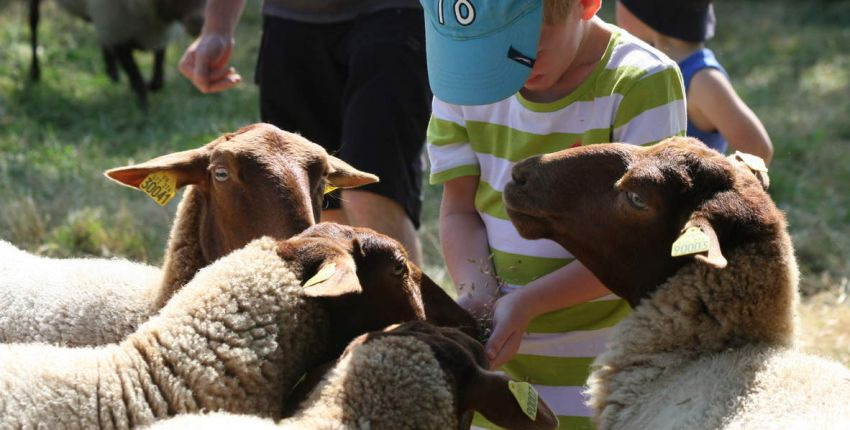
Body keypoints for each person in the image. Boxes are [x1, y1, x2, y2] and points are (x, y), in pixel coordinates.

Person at [423, 0, 686, 427]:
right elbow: (459, 209)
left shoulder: (640, 82)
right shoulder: (466, 79)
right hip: (502, 365)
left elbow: (643, 244)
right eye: (481, 55)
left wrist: (529, 303)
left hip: (605, 367)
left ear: (584, 5)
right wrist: (477, 290)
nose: (504, 76)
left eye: (519, 55)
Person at [178, 0, 431, 264]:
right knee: (317, 201)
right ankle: (348, 302)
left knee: (372, 191)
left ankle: (404, 303)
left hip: (394, 13)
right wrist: (217, 27)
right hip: (291, 20)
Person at [616, 0, 773, 163]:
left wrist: (720, 182)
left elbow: (758, 148)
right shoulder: (644, 66)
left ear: (646, 12)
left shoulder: (702, 79)